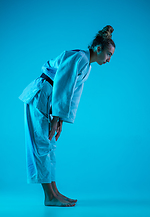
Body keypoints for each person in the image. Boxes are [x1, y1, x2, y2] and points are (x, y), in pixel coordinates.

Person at [19, 25, 116, 207]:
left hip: (49, 100)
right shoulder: (79, 57)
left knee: (49, 145)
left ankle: (55, 192)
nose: (109, 59)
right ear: (98, 48)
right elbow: (63, 84)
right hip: (40, 95)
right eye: (109, 54)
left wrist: (61, 118)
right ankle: (49, 196)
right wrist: (56, 116)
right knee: (42, 143)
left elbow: (72, 94)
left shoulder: (86, 66)